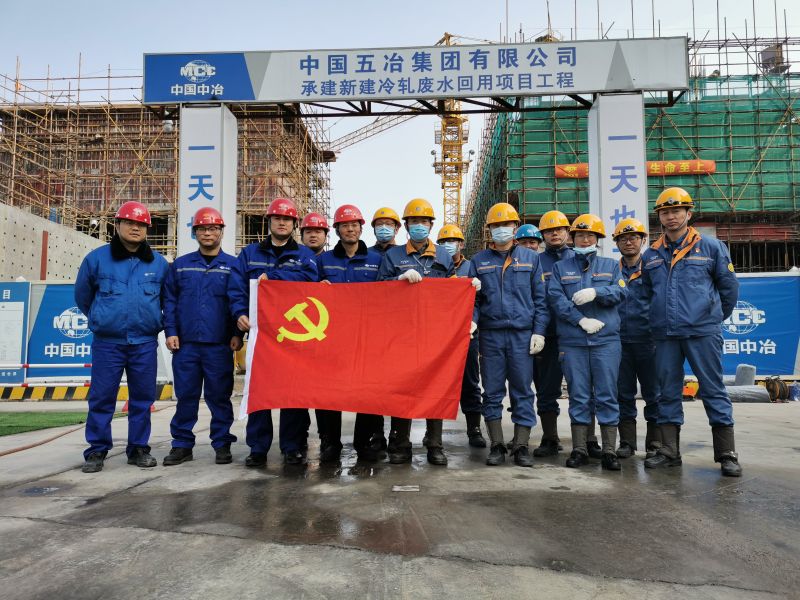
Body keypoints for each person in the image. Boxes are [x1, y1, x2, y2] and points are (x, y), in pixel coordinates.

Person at [641, 187, 742, 477]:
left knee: (712, 389)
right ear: (659, 217)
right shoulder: (651, 254)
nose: (671, 217)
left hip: (702, 333)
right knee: (667, 391)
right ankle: (669, 451)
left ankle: (726, 454)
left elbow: (729, 288)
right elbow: (647, 294)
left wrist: (712, 318)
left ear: (688, 213)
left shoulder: (711, 247)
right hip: (665, 335)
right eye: (665, 212)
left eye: (676, 211)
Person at [76, 201, 169, 473]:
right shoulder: (96, 260)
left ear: (147, 229)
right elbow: (83, 297)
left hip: (144, 343)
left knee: (142, 398)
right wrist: (103, 319)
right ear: (117, 225)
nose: (135, 228)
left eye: (141, 224)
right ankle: (97, 450)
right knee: (102, 397)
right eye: (129, 222)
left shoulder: (158, 264)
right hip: (108, 343)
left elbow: (167, 300)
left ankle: (138, 448)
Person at [228, 197, 318, 467]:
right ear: (269, 221)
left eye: (287, 219)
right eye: (277, 218)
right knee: (260, 390)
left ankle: (292, 447)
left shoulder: (305, 256)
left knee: (293, 392)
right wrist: (239, 314)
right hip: (260, 334)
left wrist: (276, 278)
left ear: (294, 224)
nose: (282, 222)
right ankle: (258, 448)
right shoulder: (249, 254)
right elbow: (236, 288)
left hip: (294, 336)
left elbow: (311, 283)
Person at [378, 198, 460, 465]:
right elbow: (379, 289)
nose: (419, 226)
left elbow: (452, 291)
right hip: (401, 333)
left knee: (435, 387)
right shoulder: (393, 256)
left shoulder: (443, 256)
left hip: (435, 333)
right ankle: (400, 444)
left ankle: (435, 444)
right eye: (414, 221)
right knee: (403, 388)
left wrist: (468, 288)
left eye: (423, 221)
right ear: (406, 226)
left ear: (431, 225)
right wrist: (398, 280)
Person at [469, 203, 548, 467]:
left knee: (522, 391)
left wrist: (539, 332)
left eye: (506, 225)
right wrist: (472, 321)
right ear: (489, 229)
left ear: (515, 227)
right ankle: (497, 445)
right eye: (496, 225)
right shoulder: (479, 261)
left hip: (522, 336)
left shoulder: (531, 258)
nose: (501, 229)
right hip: (490, 336)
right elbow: (474, 300)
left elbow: (541, 300)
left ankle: (521, 446)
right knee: (491, 392)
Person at [162, 207, 240, 466]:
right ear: (195, 232)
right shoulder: (181, 266)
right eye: (202, 229)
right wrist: (171, 331)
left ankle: (222, 443)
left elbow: (238, 301)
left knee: (220, 397)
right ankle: (182, 445)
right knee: (186, 396)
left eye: (213, 228)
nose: (208, 233)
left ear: (221, 232)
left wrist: (237, 333)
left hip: (219, 344)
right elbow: (169, 301)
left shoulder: (233, 266)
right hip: (186, 345)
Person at [548, 214, 626, 471]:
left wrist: (597, 292)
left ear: (598, 239)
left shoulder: (611, 265)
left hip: (606, 341)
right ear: (573, 238)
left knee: (607, 394)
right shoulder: (560, 268)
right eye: (580, 235)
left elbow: (621, 291)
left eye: (590, 235)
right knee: (579, 395)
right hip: (573, 342)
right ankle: (580, 449)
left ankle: (609, 451)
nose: (585, 239)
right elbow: (556, 299)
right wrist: (580, 320)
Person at [316, 204, 385, 463]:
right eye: (345, 225)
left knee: (366, 391)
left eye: (354, 225)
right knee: (329, 391)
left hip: (366, 337)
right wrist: (317, 286)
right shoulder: (324, 261)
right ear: (337, 230)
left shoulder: (377, 260)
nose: (350, 229)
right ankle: (330, 442)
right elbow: (307, 293)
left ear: (361, 228)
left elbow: (387, 293)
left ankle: (363, 443)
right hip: (331, 337)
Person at [612, 217, 661, 459]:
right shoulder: (612, 271)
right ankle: (627, 443)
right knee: (623, 394)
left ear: (643, 240)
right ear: (616, 243)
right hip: (619, 342)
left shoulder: (654, 268)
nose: (628, 242)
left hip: (649, 341)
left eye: (633, 237)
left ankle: (656, 443)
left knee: (654, 394)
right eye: (623, 238)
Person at [436, 223, 486, 448]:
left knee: (470, 381)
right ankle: (432, 433)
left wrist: (474, 320)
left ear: (462, 244)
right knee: (436, 382)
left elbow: (479, 300)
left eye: (453, 241)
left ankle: (474, 429)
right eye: (444, 242)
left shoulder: (471, 267)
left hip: (467, 334)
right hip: (440, 334)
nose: (448, 245)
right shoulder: (435, 266)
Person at [531, 210, 575, 457]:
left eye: (559, 229)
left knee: (582, 388)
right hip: (547, 335)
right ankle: (550, 437)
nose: (554, 233)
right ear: (543, 235)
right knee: (546, 389)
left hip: (575, 334)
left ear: (567, 232)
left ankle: (587, 441)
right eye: (549, 230)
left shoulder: (579, 258)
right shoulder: (536, 262)